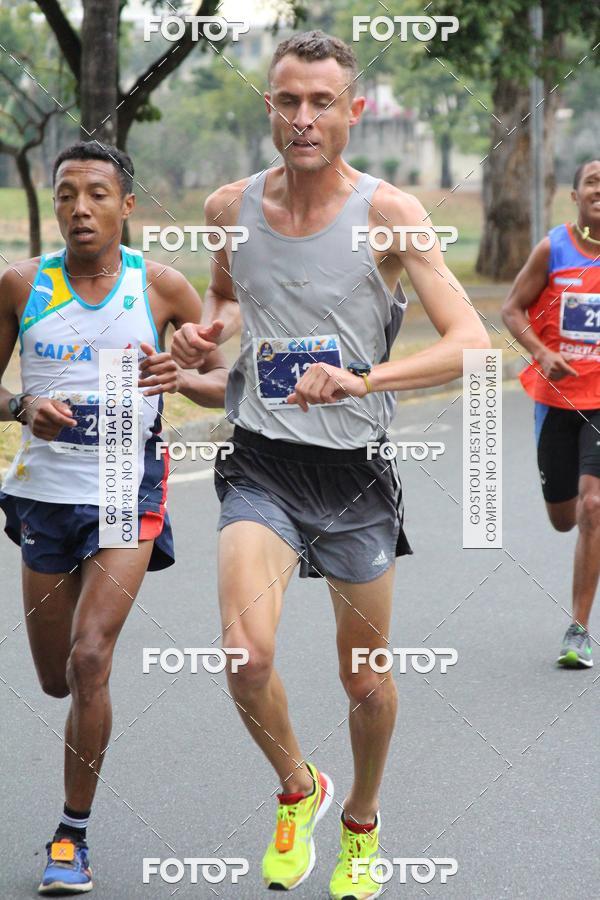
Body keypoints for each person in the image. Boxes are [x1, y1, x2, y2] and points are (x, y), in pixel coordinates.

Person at [172, 31, 489, 900]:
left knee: (366, 680)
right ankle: (295, 786)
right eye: (287, 101)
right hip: (262, 460)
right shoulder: (228, 206)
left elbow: (470, 343)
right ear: (267, 105)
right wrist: (206, 334)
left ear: (353, 112)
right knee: (243, 654)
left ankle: (360, 819)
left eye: (321, 103)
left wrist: (363, 376)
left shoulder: (389, 217)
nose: (303, 118)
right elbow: (230, 297)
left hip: (353, 471)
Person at [0, 140, 228, 894]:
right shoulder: (20, 284)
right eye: (67, 193)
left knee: (90, 657)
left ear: (126, 206)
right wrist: (21, 404)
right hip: (43, 495)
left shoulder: (160, 287)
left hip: (129, 493)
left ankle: (72, 834)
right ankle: (76, 711)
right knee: (55, 678)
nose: (79, 208)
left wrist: (184, 374)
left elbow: (223, 384)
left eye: (97, 193)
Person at [503, 159, 600, 670]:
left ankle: (579, 628)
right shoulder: (554, 248)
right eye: (592, 182)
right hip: (557, 399)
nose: (599, 189)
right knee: (564, 518)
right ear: (576, 195)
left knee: (593, 506)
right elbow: (512, 309)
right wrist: (541, 352)